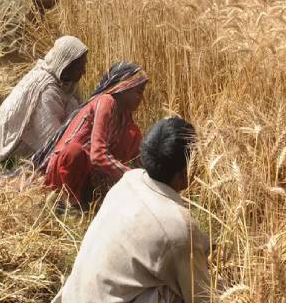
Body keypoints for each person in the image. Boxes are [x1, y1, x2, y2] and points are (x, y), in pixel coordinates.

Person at [52, 117, 210, 303]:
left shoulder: (129, 180)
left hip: (72, 298)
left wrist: (200, 244)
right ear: (184, 173)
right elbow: (202, 296)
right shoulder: (179, 228)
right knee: (175, 292)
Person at [33, 62, 149, 207]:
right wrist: (132, 177)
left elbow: (138, 158)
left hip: (88, 174)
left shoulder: (125, 117)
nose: (141, 98)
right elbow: (98, 155)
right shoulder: (106, 102)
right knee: (74, 152)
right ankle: (68, 200)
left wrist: (149, 180)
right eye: (139, 91)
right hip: (66, 171)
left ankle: (88, 196)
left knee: (133, 134)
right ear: (123, 88)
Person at [0, 35, 88, 170]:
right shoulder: (46, 91)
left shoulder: (64, 80)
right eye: (80, 67)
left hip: (35, 130)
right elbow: (52, 139)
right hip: (14, 140)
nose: (84, 71)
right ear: (66, 64)